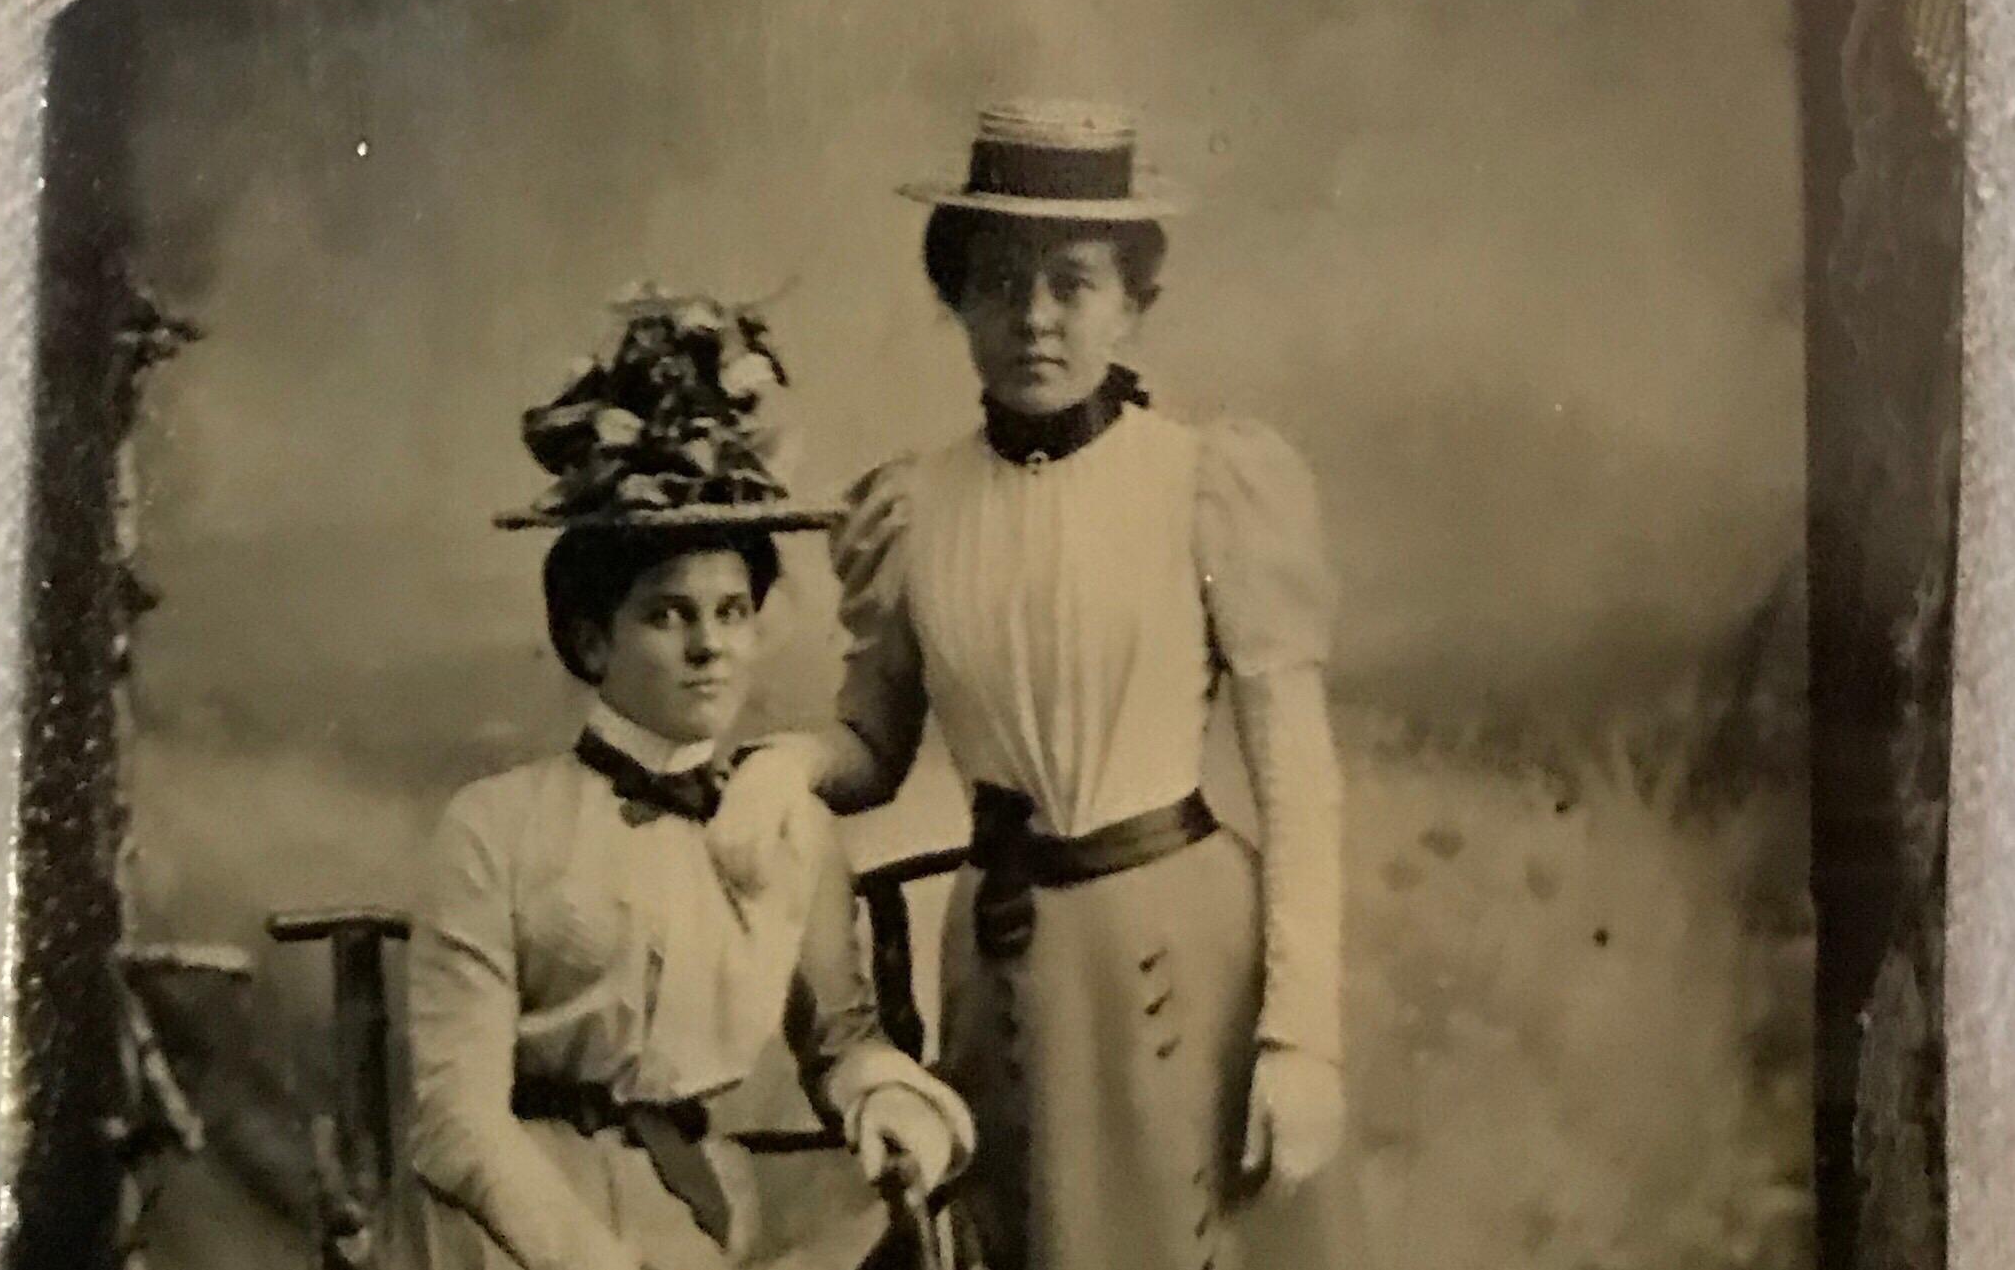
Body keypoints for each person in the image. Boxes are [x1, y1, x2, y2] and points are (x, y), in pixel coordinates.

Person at [708, 103, 1357, 1270]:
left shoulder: (1208, 483)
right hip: (1004, 969)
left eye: (1072, 281)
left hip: (1182, 960)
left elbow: (1297, 777)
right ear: (956, 294)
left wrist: (1302, 1038)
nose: (1036, 316)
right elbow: (874, 741)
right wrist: (792, 760)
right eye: (1001, 281)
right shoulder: (914, 508)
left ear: (1133, 298)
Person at [408, 291, 976, 1270]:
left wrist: (884, 1097)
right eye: (668, 615)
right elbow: (454, 1116)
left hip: (696, 1202)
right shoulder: (493, 825)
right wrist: (583, 1256)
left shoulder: (786, 823)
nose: (711, 645)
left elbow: (840, 1044)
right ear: (592, 636)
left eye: (731, 610)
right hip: (509, 1219)